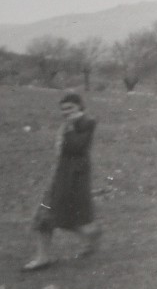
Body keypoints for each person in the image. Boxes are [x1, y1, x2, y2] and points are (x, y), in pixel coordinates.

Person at [23, 93, 102, 271]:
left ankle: (90, 235)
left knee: (53, 215)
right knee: (50, 216)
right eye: (63, 109)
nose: (66, 112)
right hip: (62, 175)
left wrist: (70, 128)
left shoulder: (87, 123)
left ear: (80, 107)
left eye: (70, 108)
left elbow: (77, 147)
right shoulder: (71, 123)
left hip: (73, 177)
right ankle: (89, 235)